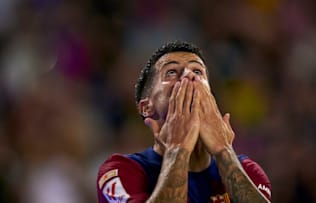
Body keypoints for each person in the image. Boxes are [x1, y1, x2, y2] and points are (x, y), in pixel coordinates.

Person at [97, 41, 272, 203]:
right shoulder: (121, 171)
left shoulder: (246, 170)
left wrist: (224, 151)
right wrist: (177, 150)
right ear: (147, 108)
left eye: (197, 71)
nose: (189, 76)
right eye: (171, 72)